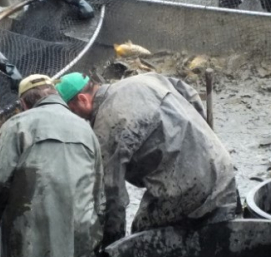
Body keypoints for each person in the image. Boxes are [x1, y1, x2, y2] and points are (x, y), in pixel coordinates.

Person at [55, 72, 238, 247]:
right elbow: (190, 94)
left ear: (83, 100)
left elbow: (113, 198)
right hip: (221, 165)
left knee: (143, 236)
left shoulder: (106, 126)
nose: (75, 118)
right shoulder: (143, 80)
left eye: (73, 111)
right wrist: (203, 139)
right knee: (223, 236)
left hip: (186, 188)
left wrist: (112, 244)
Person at [0, 74, 104, 257]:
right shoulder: (87, 130)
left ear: (23, 104)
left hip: (29, 240)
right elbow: (99, 194)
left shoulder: (16, 125)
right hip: (80, 237)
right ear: (56, 95)